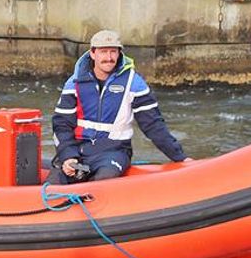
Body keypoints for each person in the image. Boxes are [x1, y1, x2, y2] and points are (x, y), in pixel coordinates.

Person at [47, 29, 187, 184]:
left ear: (119, 53)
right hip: (80, 149)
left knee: (104, 180)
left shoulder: (133, 82)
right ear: (93, 54)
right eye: (103, 52)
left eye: (113, 52)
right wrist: (68, 156)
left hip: (114, 151)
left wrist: (180, 157)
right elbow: (61, 124)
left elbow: (153, 125)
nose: (109, 57)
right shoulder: (74, 83)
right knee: (54, 184)